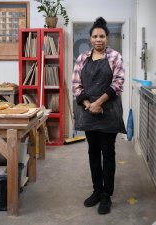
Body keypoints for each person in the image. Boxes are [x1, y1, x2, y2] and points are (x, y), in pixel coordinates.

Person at [72, 17, 126, 215]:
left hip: (108, 113)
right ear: (90, 38)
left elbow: (118, 83)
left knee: (108, 154)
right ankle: (96, 190)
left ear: (107, 38)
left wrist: (98, 103)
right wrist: (89, 104)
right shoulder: (82, 58)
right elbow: (76, 85)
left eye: (102, 36)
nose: (98, 39)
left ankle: (106, 195)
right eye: (95, 36)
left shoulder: (115, 57)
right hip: (89, 113)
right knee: (93, 153)